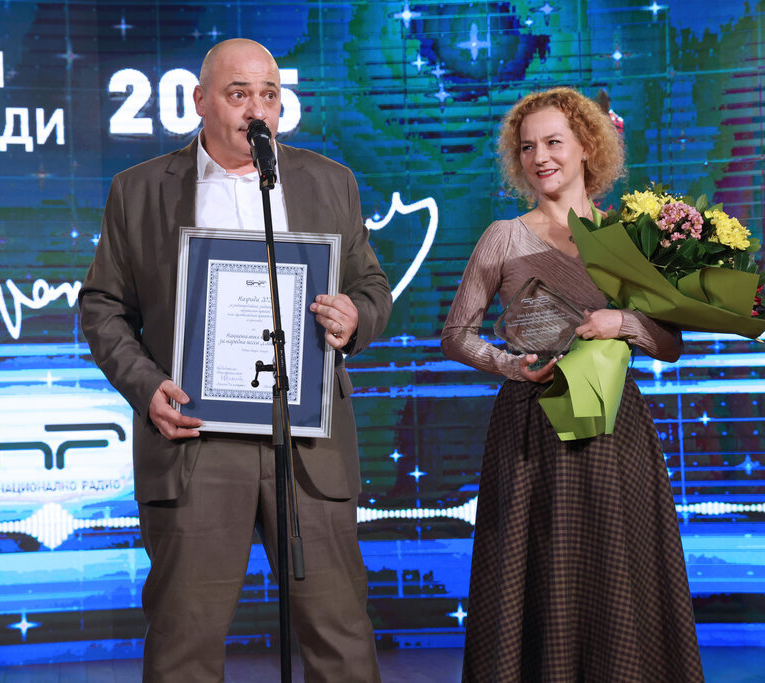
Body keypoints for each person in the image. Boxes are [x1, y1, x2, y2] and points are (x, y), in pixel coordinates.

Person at [80, 38, 391, 682]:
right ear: (199, 101)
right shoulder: (140, 190)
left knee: (340, 639)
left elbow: (371, 288)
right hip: (196, 441)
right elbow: (103, 307)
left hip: (307, 443)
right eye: (238, 94)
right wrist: (146, 386)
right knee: (184, 647)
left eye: (269, 94)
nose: (257, 110)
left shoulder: (329, 182)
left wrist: (356, 316)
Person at [441, 87, 705, 682]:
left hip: (615, 432)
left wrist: (622, 324)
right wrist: (513, 365)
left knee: (617, 579)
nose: (540, 157)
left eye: (554, 142)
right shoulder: (503, 237)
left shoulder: (629, 237)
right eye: (527, 147)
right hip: (531, 431)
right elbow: (456, 335)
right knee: (537, 579)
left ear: (587, 146)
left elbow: (670, 345)